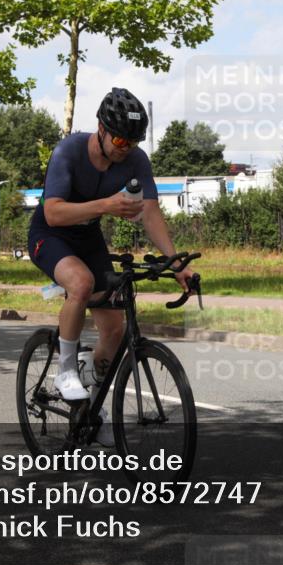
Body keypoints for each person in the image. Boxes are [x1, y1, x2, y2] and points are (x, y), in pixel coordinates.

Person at [28, 87, 197, 443]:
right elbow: (53, 212)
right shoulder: (69, 151)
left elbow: (150, 210)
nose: (125, 148)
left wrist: (175, 261)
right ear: (101, 129)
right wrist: (105, 205)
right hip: (51, 235)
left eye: (133, 142)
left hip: (87, 238)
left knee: (115, 328)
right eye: (120, 138)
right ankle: (66, 371)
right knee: (80, 282)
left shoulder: (135, 161)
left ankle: (89, 403)